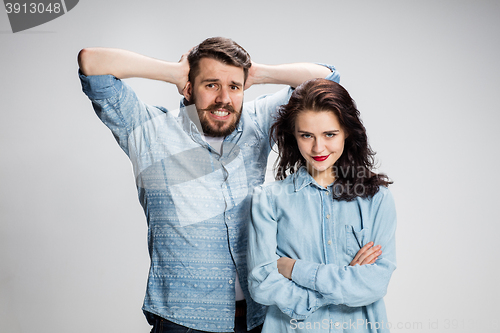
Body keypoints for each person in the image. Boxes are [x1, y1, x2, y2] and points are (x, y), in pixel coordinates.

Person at [77, 37, 340, 333]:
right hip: (183, 322)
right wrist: (174, 72)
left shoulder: (257, 122)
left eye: (234, 87)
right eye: (211, 84)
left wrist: (258, 73)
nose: (224, 99)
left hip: (258, 319)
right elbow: (92, 64)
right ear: (190, 88)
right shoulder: (148, 131)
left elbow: (326, 80)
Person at [247, 78, 396, 332]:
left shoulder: (376, 197)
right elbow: (262, 284)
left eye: (330, 134)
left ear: (347, 131)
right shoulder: (268, 200)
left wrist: (294, 268)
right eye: (307, 135)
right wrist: (342, 283)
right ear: (293, 136)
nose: (318, 148)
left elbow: (375, 283)